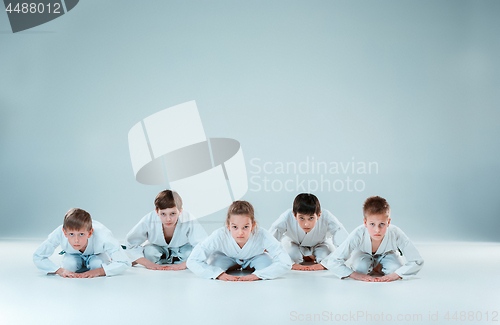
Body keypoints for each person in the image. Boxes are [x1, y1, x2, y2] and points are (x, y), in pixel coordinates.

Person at [321, 196, 424, 282]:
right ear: (365, 223)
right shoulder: (358, 234)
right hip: (362, 253)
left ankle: (378, 266)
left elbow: (417, 260)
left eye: (382, 224)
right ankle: (374, 267)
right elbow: (333, 261)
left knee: (395, 270)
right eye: (372, 224)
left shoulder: (395, 233)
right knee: (360, 269)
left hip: (388, 254)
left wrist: (395, 275)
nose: (377, 230)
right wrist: (355, 275)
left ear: (388, 222)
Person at [187, 201, 292, 281]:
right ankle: (234, 265)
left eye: (245, 227)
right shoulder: (220, 235)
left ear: (253, 225)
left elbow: (285, 262)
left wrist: (258, 275)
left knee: (268, 265)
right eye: (235, 227)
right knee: (214, 265)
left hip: (255, 258)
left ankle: (248, 265)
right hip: (226, 257)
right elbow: (192, 261)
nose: (240, 232)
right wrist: (218, 274)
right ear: (228, 226)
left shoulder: (262, 234)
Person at [33, 208, 131, 278]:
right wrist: (60, 271)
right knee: (68, 266)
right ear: (65, 232)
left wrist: (100, 271)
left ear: (90, 233)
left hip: (96, 254)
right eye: (71, 234)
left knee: (97, 265)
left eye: (81, 234)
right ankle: (77, 264)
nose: (76, 240)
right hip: (72, 255)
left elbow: (125, 262)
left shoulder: (103, 236)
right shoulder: (59, 232)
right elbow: (38, 256)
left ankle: (95, 265)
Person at [125, 190, 207, 270]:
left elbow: (203, 246)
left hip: (182, 248)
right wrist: (148, 263)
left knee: (189, 254)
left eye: (173, 213)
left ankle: (174, 259)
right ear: (157, 212)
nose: (168, 219)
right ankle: (162, 258)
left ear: (180, 211)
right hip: (155, 247)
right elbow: (131, 244)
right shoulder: (149, 220)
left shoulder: (188, 219)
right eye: (163, 214)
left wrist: (184, 264)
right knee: (149, 253)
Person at [269, 193, 348, 271]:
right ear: (294, 215)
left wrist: (324, 264)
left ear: (319, 215)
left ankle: (309, 256)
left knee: (324, 257)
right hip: (294, 242)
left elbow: (345, 245)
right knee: (293, 257)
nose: (306, 224)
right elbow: (270, 243)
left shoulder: (326, 216)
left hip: (320, 243)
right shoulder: (286, 217)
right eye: (302, 218)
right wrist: (290, 263)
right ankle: (306, 256)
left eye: (311, 218)